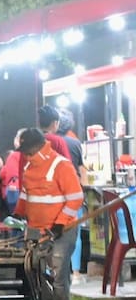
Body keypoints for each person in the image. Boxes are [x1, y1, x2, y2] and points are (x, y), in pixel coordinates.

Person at [13, 127, 83, 300]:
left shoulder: (61, 165)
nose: (25, 155)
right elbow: (26, 195)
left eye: (27, 151)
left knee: (59, 278)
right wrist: (17, 214)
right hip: (36, 230)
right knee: (31, 271)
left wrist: (61, 223)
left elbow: (75, 198)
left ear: (36, 147)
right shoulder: (28, 165)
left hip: (62, 231)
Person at [56, 112, 89, 283]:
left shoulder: (49, 142)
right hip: (73, 191)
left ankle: (52, 271)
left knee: (53, 233)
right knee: (74, 231)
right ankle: (75, 273)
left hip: (55, 194)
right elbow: (82, 170)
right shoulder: (75, 143)